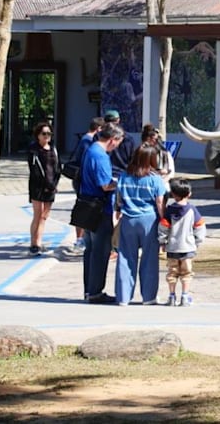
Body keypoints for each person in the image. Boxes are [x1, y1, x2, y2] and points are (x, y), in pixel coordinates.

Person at [114, 143, 169, 306]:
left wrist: (117, 213)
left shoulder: (124, 176)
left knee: (125, 258)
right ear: (151, 160)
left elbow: (118, 198)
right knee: (150, 259)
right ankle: (149, 297)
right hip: (149, 221)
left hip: (128, 220)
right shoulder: (155, 179)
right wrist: (164, 221)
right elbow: (160, 203)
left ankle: (123, 297)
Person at [80, 123, 124, 304]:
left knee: (90, 250)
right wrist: (122, 183)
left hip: (86, 206)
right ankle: (96, 292)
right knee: (100, 251)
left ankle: (89, 290)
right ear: (113, 140)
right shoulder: (101, 156)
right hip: (99, 208)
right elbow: (105, 184)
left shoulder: (90, 150)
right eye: (119, 142)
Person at [158, 178, 206, 306]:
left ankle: (172, 296)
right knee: (187, 273)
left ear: (173, 195)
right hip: (188, 247)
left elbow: (163, 227)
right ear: (189, 194)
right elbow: (200, 226)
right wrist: (197, 241)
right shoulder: (192, 210)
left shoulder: (169, 210)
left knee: (172, 272)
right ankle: (185, 296)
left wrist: (162, 241)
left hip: (172, 247)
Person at [66, 117, 105, 253]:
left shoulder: (85, 139)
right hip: (83, 179)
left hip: (82, 179)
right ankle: (80, 239)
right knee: (84, 207)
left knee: (83, 206)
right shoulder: (88, 141)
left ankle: (82, 238)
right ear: (99, 129)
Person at [27, 122, 60, 256]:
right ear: (38, 135)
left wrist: (54, 185)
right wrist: (45, 185)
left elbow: (57, 168)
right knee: (38, 215)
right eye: (44, 134)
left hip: (51, 187)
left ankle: (39, 242)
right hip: (38, 187)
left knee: (44, 217)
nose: (47, 136)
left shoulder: (53, 149)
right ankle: (34, 243)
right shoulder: (34, 150)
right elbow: (35, 170)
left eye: (49, 134)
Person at [104, 110, 136, 179]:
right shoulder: (128, 138)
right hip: (124, 175)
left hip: (105, 174)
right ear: (118, 120)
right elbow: (133, 159)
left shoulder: (99, 136)